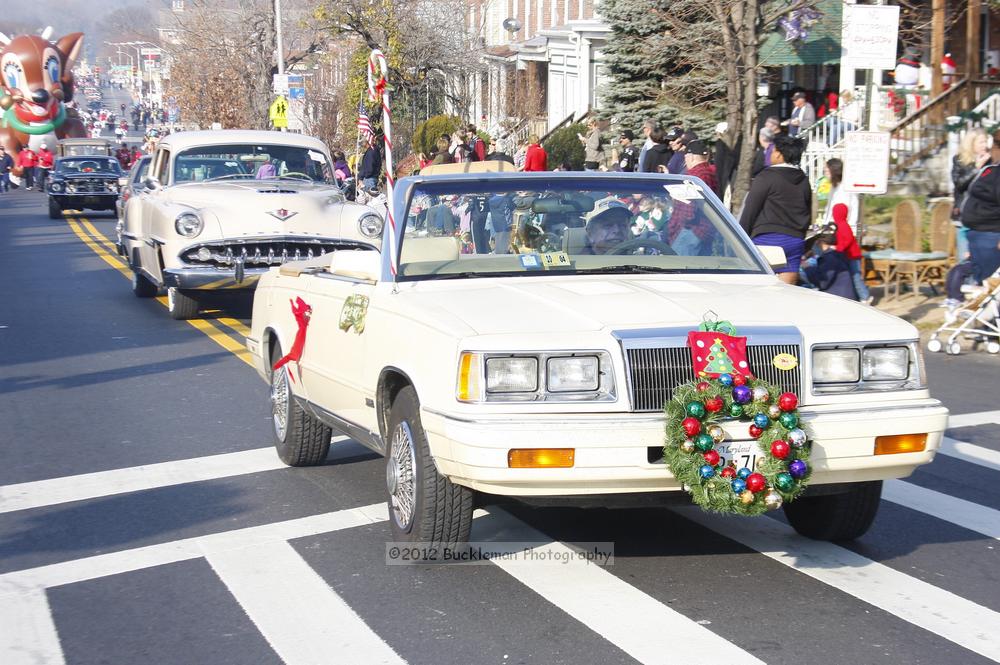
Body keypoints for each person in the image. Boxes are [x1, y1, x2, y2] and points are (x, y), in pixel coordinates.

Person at [738, 135, 812, 284]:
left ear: (779, 154)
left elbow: (750, 210)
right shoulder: (804, 180)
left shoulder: (766, 177)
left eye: (773, 151)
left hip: (767, 238)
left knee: (761, 289)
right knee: (787, 292)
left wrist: (739, 238)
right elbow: (808, 210)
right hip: (795, 239)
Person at [959, 130, 1000, 283]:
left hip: (990, 236)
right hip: (978, 234)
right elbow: (960, 186)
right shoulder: (991, 168)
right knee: (982, 283)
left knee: (989, 286)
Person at [667, 140, 717, 255]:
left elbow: (688, 212)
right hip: (707, 231)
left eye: (686, 158)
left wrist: (676, 227)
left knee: (678, 268)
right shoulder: (712, 173)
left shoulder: (692, 176)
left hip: (690, 231)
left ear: (691, 157)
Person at [952, 127, 990, 262]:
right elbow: (959, 184)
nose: (985, 146)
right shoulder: (959, 161)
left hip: (984, 220)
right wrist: (976, 167)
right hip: (964, 219)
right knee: (965, 261)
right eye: (981, 142)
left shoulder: (991, 162)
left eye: (985, 142)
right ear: (971, 143)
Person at [802, 224, 858, 300]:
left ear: (820, 242)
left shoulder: (830, 258)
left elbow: (822, 282)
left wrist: (807, 267)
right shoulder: (838, 255)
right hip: (844, 298)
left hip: (839, 301)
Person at [829, 202, 870, 303]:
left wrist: (838, 248)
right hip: (850, 255)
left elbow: (847, 239)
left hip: (853, 256)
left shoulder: (842, 225)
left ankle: (865, 297)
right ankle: (859, 296)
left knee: (855, 276)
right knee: (852, 276)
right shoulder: (841, 224)